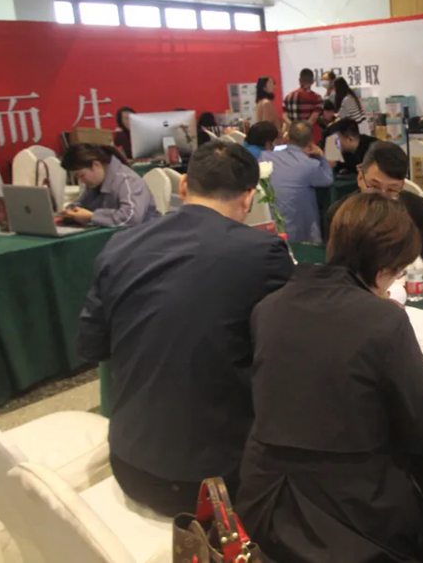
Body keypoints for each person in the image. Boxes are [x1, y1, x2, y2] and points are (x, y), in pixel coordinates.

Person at [78, 142, 293, 516]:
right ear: (248, 198)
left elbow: (92, 345)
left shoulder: (120, 244)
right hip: (218, 483)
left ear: (183, 187)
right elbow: (289, 350)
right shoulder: (263, 252)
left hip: (129, 463)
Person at [238, 193, 423, 562]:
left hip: (265, 500)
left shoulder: (267, 308)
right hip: (354, 514)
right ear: (384, 268)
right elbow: (422, 424)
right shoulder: (385, 321)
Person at [326, 141, 423, 259]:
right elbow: (335, 265)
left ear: (402, 186)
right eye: (375, 186)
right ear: (360, 178)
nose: (382, 195)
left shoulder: (416, 207)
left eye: (392, 189)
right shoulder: (340, 213)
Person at [261, 120, 333, 242]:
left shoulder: (265, 157)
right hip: (300, 234)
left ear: (287, 137)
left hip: (269, 229)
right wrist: (321, 156)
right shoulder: (310, 165)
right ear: (311, 143)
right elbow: (328, 179)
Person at [60, 144, 159, 227]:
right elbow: (83, 204)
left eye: (81, 175)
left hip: (144, 237)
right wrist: (72, 211)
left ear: (96, 165)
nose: (81, 181)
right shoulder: (95, 182)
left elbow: (131, 218)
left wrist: (92, 217)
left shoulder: (127, 180)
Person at [283, 68, 325, 144]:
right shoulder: (317, 98)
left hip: (292, 137)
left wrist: (294, 128)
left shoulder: (288, 97)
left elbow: (284, 116)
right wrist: (302, 131)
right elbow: (312, 119)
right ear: (313, 81)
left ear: (299, 80)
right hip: (310, 138)